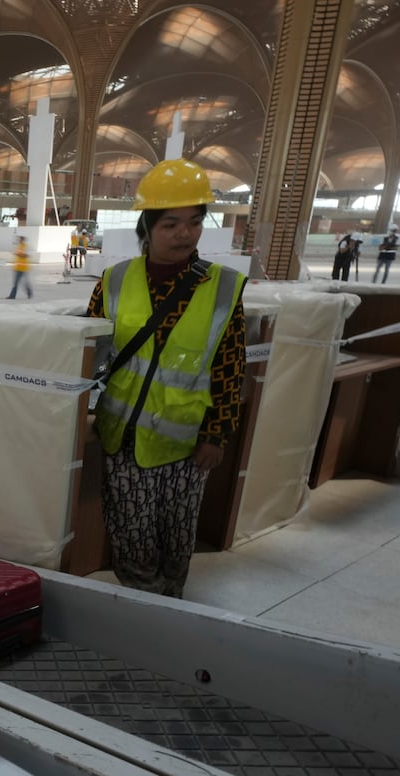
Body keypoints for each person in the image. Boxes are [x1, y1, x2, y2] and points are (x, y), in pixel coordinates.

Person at [86, 159, 246, 599]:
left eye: (194, 222)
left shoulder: (223, 287)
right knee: (133, 541)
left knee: (177, 541)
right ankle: (145, 613)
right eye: (171, 223)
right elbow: (92, 357)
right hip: (123, 440)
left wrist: (218, 435)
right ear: (147, 228)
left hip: (187, 444)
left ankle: (170, 607)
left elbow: (231, 368)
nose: (184, 234)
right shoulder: (114, 281)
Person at [7, 235, 33, 299]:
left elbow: (26, 256)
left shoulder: (26, 247)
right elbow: (17, 254)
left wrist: (19, 254)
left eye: (20, 239)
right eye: (19, 239)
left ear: (23, 240)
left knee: (21, 283)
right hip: (18, 267)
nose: (19, 240)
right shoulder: (19, 246)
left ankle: (13, 295)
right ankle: (28, 293)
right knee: (17, 282)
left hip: (23, 268)